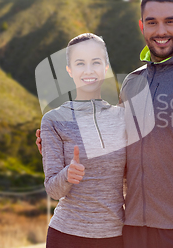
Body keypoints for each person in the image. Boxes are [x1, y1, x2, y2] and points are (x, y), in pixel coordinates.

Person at [37, 0, 173, 248]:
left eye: (170, 21)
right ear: (142, 26)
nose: (161, 30)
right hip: (133, 228)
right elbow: (120, 149)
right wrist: (60, 147)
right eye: (152, 22)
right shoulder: (132, 83)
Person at [41, 33, 126, 248]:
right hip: (66, 236)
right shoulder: (53, 120)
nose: (88, 70)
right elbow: (53, 189)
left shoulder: (124, 118)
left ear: (106, 66)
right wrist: (67, 175)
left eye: (95, 62)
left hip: (115, 236)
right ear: (69, 70)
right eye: (80, 63)